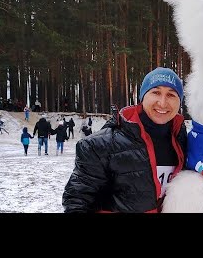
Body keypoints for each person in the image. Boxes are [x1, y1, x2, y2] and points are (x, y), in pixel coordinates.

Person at [63, 67, 187, 213]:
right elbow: (77, 202)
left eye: (171, 95)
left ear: (180, 102)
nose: (162, 102)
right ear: (142, 98)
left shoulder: (185, 142)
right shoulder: (100, 146)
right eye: (156, 92)